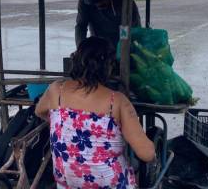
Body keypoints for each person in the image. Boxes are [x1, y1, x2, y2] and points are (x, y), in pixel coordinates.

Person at [35, 36, 155, 188]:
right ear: (108, 66)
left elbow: (40, 111)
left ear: (76, 60)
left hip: (68, 183)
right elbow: (146, 154)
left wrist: (68, 129)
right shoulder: (117, 101)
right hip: (109, 184)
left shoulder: (56, 90)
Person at [75, 0, 141, 47]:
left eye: (101, 0)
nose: (98, 4)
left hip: (122, 42)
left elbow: (135, 29)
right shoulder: (84, 2)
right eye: (95, 2)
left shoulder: (124, 2)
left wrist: (122, 48)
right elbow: (81, 26)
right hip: (99, 44)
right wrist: (81, 49)